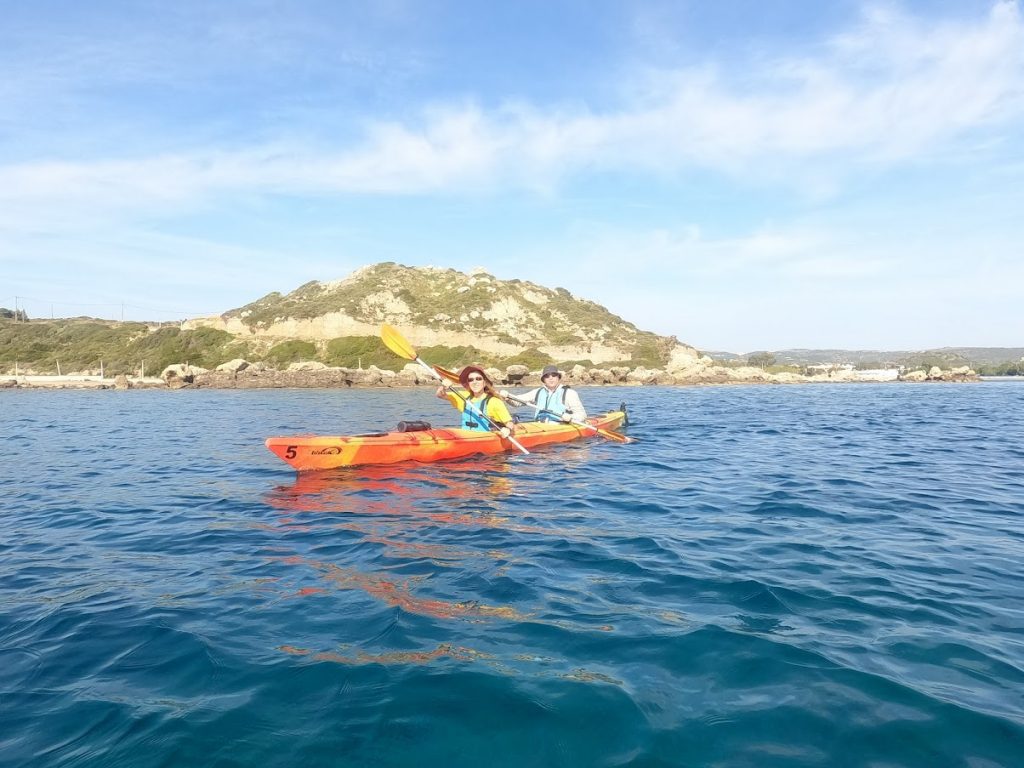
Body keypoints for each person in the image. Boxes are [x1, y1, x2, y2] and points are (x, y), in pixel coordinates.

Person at [437, 365, 515, 438]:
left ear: (484, 383)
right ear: (468, 383)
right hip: (465, 436)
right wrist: (443, 387)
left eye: (478, 379)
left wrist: (508, 429)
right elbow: (440, 395)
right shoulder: (463, 396)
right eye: (471, 380)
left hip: (484, 438)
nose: (475, 382)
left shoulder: (493, 401)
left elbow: (509, 422)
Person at [501, 364, 587, 423]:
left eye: (553, 375)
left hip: (561, 425)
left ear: (558, 377)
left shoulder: (569, 393)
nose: (551, 378)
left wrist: (571, 417)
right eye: (547, 376)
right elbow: (517, 402)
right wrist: (508, 397)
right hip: (540, 426)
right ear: (543, 380)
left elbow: (582, 415)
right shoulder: (538, 392)